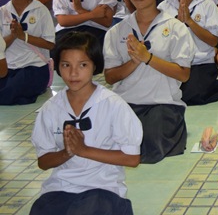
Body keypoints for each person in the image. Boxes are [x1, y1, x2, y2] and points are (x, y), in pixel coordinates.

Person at [30, 32, 142, 215]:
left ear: (94, 66)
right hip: (60, 187)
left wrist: (83, 150)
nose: (73, 73)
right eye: (66, 65)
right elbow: (43, 161)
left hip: (102, 188)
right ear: (57, 66)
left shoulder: (113, 104)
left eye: (82, 65)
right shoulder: (51, 108)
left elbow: (132, 158)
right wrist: (67, 152)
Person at [103, 0, 195, 164]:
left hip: (162, 104)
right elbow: (110, 77)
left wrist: (149, 58)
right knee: (110, 146)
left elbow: (183, 74)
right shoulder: (117, 31)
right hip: (125, 103)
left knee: (149, 148)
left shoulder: (175, 28)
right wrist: (135, 61)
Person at [1, 0, 55, 105]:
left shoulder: (40, 10)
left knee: (14, 89)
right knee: (11, 87)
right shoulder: (2, 12)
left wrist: (23, 36)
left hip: (34, 67)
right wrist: (13, 35)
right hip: (8, 67)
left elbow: (50, 44)